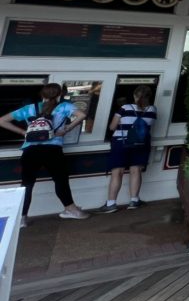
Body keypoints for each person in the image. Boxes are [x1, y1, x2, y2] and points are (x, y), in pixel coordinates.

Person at [0, 82, 90, 227]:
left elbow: (2, 120)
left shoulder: (29, 108)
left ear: (42, 94)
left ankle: (22, 218)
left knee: (27, 184)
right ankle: (72, 210)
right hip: (52, 149)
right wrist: (67, 128)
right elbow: (82, 115)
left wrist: (23, 132)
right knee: (60, 180)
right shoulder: (64, 107)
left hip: (30, 150)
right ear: (60, 94)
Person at [101, 84, 156, 213]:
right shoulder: (153, 109)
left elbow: (112, 127)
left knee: (117, 172)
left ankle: (111, 204)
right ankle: (134, 201)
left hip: (121, 143)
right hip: (141, 143)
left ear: (134, 95)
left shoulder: (125, 108)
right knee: (136, 171)